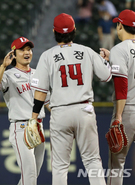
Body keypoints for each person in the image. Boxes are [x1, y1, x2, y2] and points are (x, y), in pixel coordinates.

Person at [30, 13, 112, 185]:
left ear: (54, 32)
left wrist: (33, 118)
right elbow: (106, 77)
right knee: (92, 161)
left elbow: (40, 92)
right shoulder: (86, 51)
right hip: (84, 110)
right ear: (74, 30)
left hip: (60, 112)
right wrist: (105, 61)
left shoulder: (47, 56)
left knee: (60, 166)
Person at [0, 36, 50, 185]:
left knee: (31, 176)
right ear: (14, 54)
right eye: (22, 50)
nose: (27, 52)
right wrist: (3, 66)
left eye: (29, 49)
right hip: (21, 127)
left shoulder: (39, 74)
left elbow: (48, 101)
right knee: (29, 174)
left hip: (38, 127)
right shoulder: (8, 75)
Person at [100, 9, 135, 185]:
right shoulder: (118, 52)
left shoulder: (119, 49)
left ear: (119, 26)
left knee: (117, 165)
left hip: (128, 111)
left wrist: (118, 117)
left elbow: (121, 87)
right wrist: (113, 59)